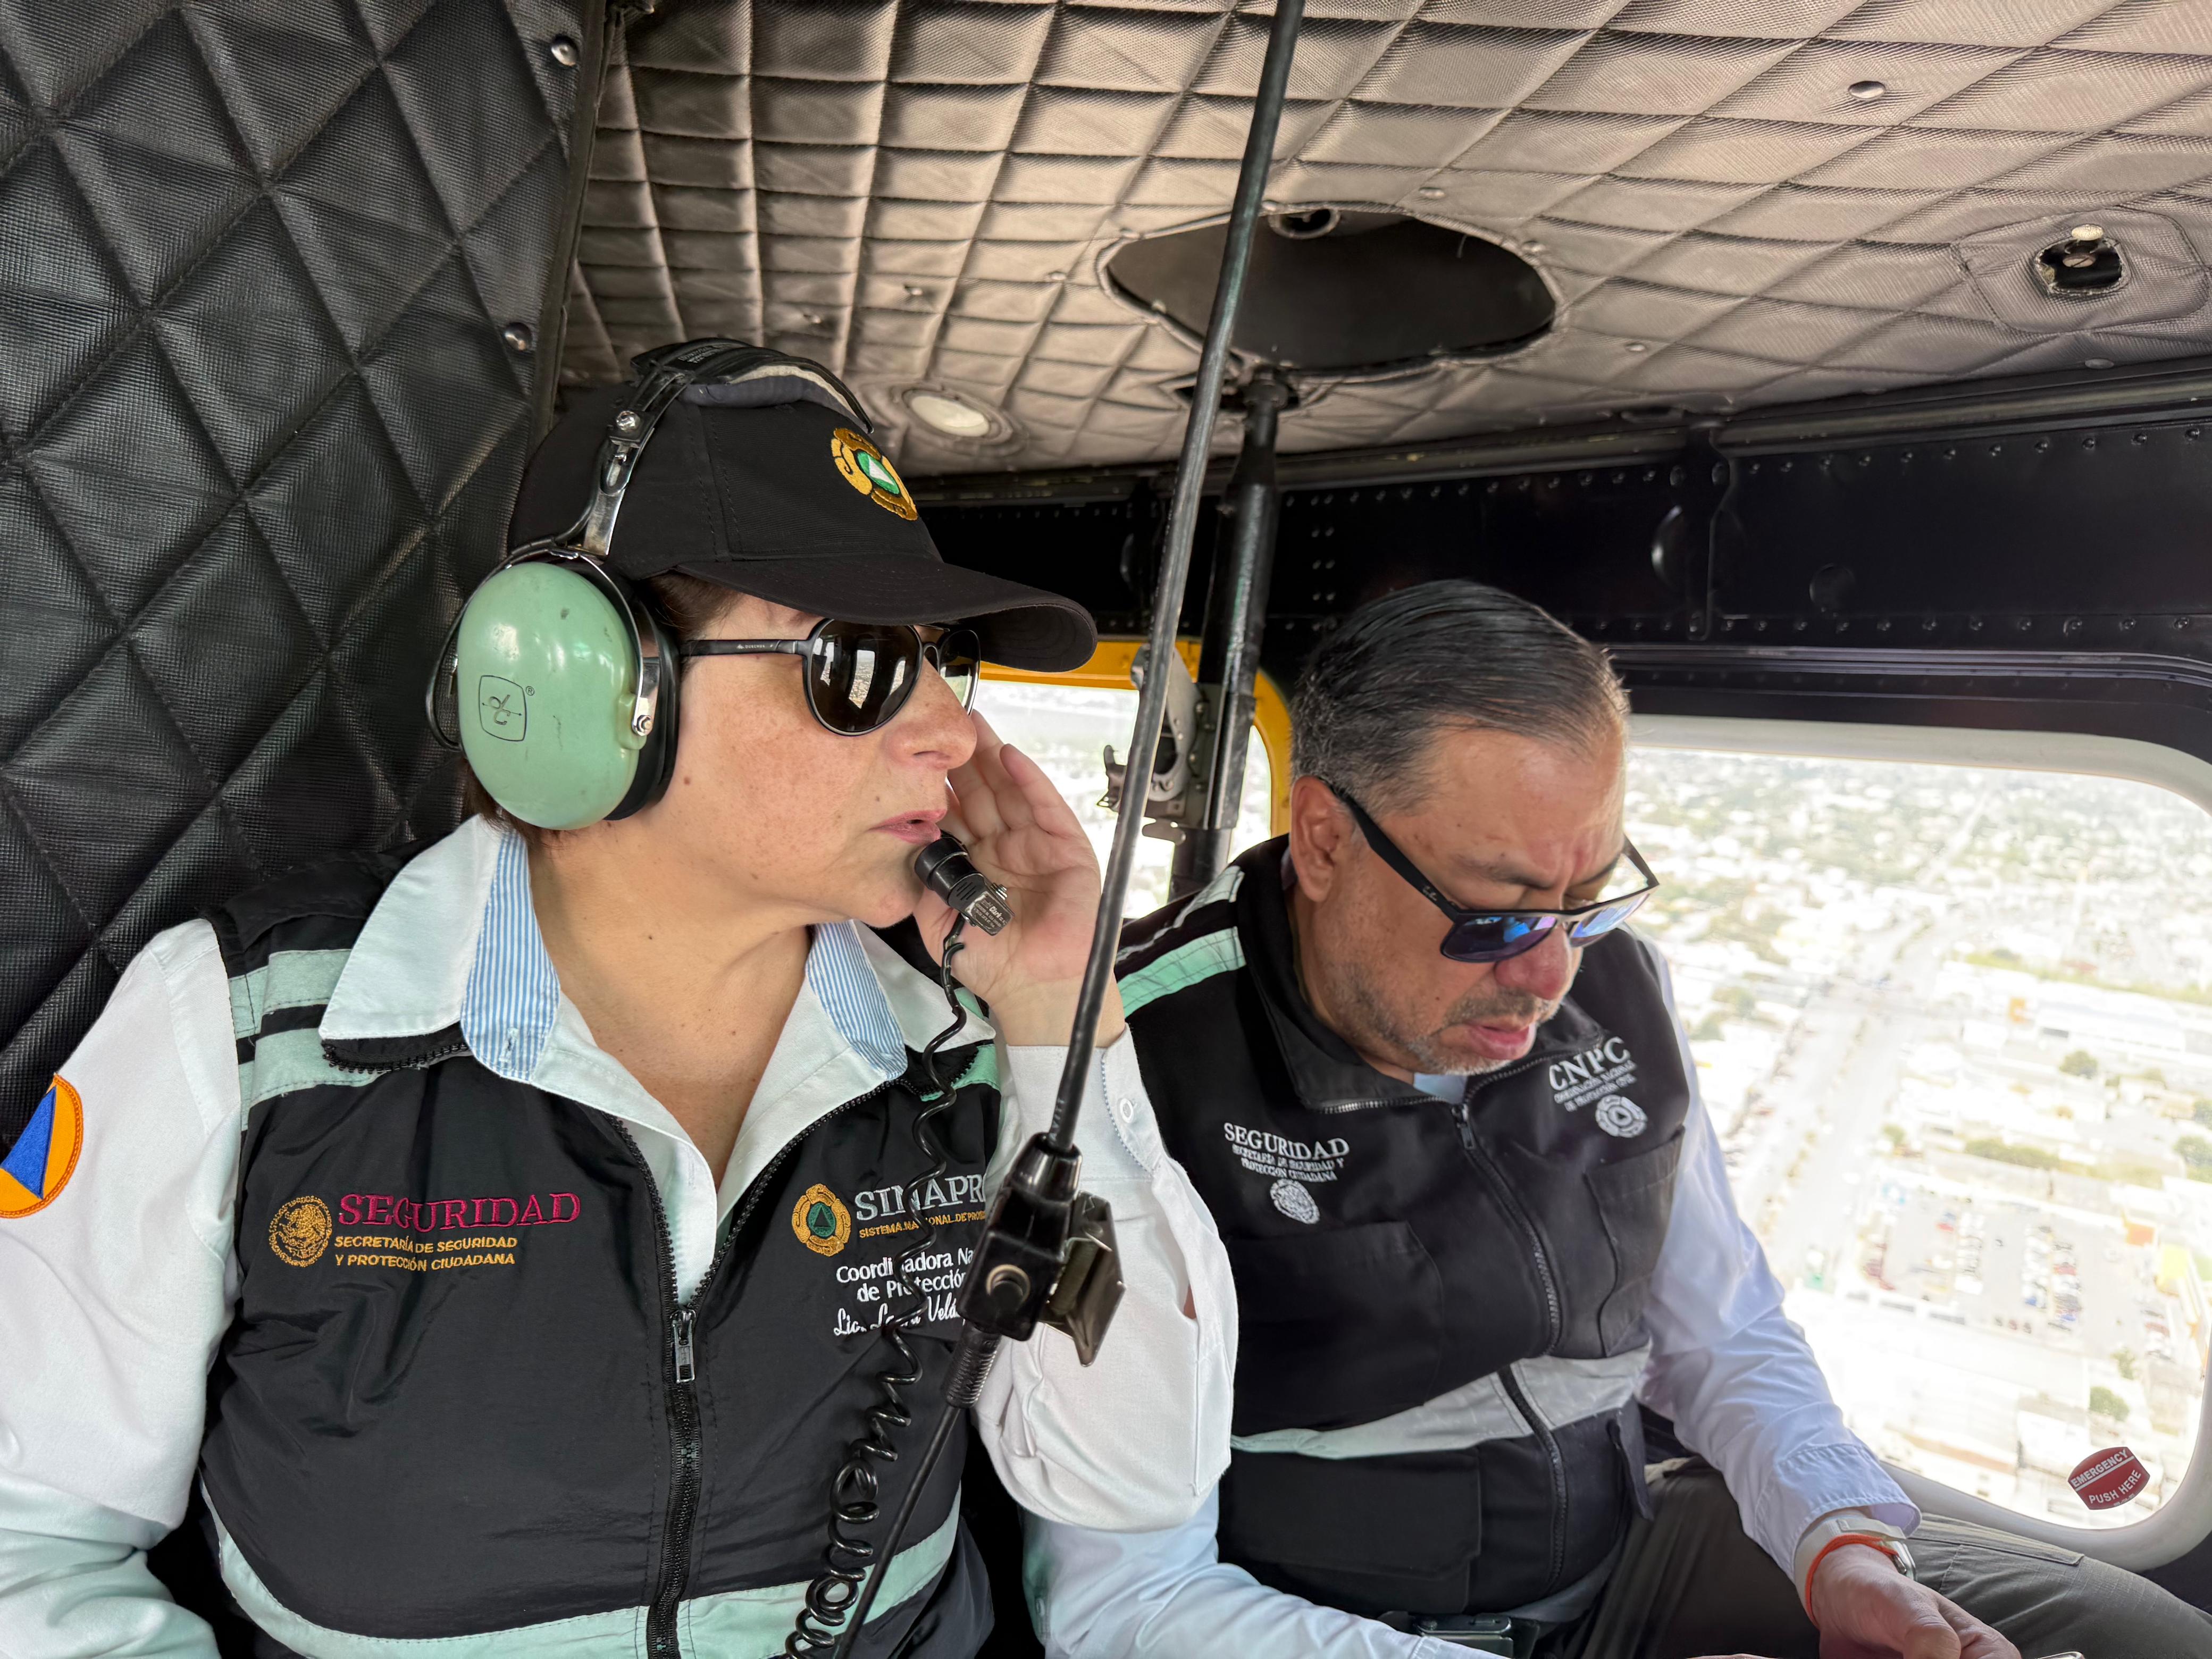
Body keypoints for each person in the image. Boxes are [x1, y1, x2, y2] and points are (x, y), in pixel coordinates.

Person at [0, 342, 1234, 1658]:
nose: (955, 732)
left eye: (945, 662)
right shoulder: (248, 1031)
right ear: (589, 684)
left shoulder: (970, 1048)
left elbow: (1130, 1484)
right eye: (862, 663)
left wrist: (1058, 1018)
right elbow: (31, 1542)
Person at [1026, 581, 2212, 1659]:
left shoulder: (1620, 987)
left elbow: (1721, 1333)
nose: (1550, 977)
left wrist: (1842, 1550)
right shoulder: (1130, 1060)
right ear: (1328, 840)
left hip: (1625, 1555)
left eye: (1587, 900)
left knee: (2138, 1639)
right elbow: (1123, 1602)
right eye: (1498, 914)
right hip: (1321, 1622)